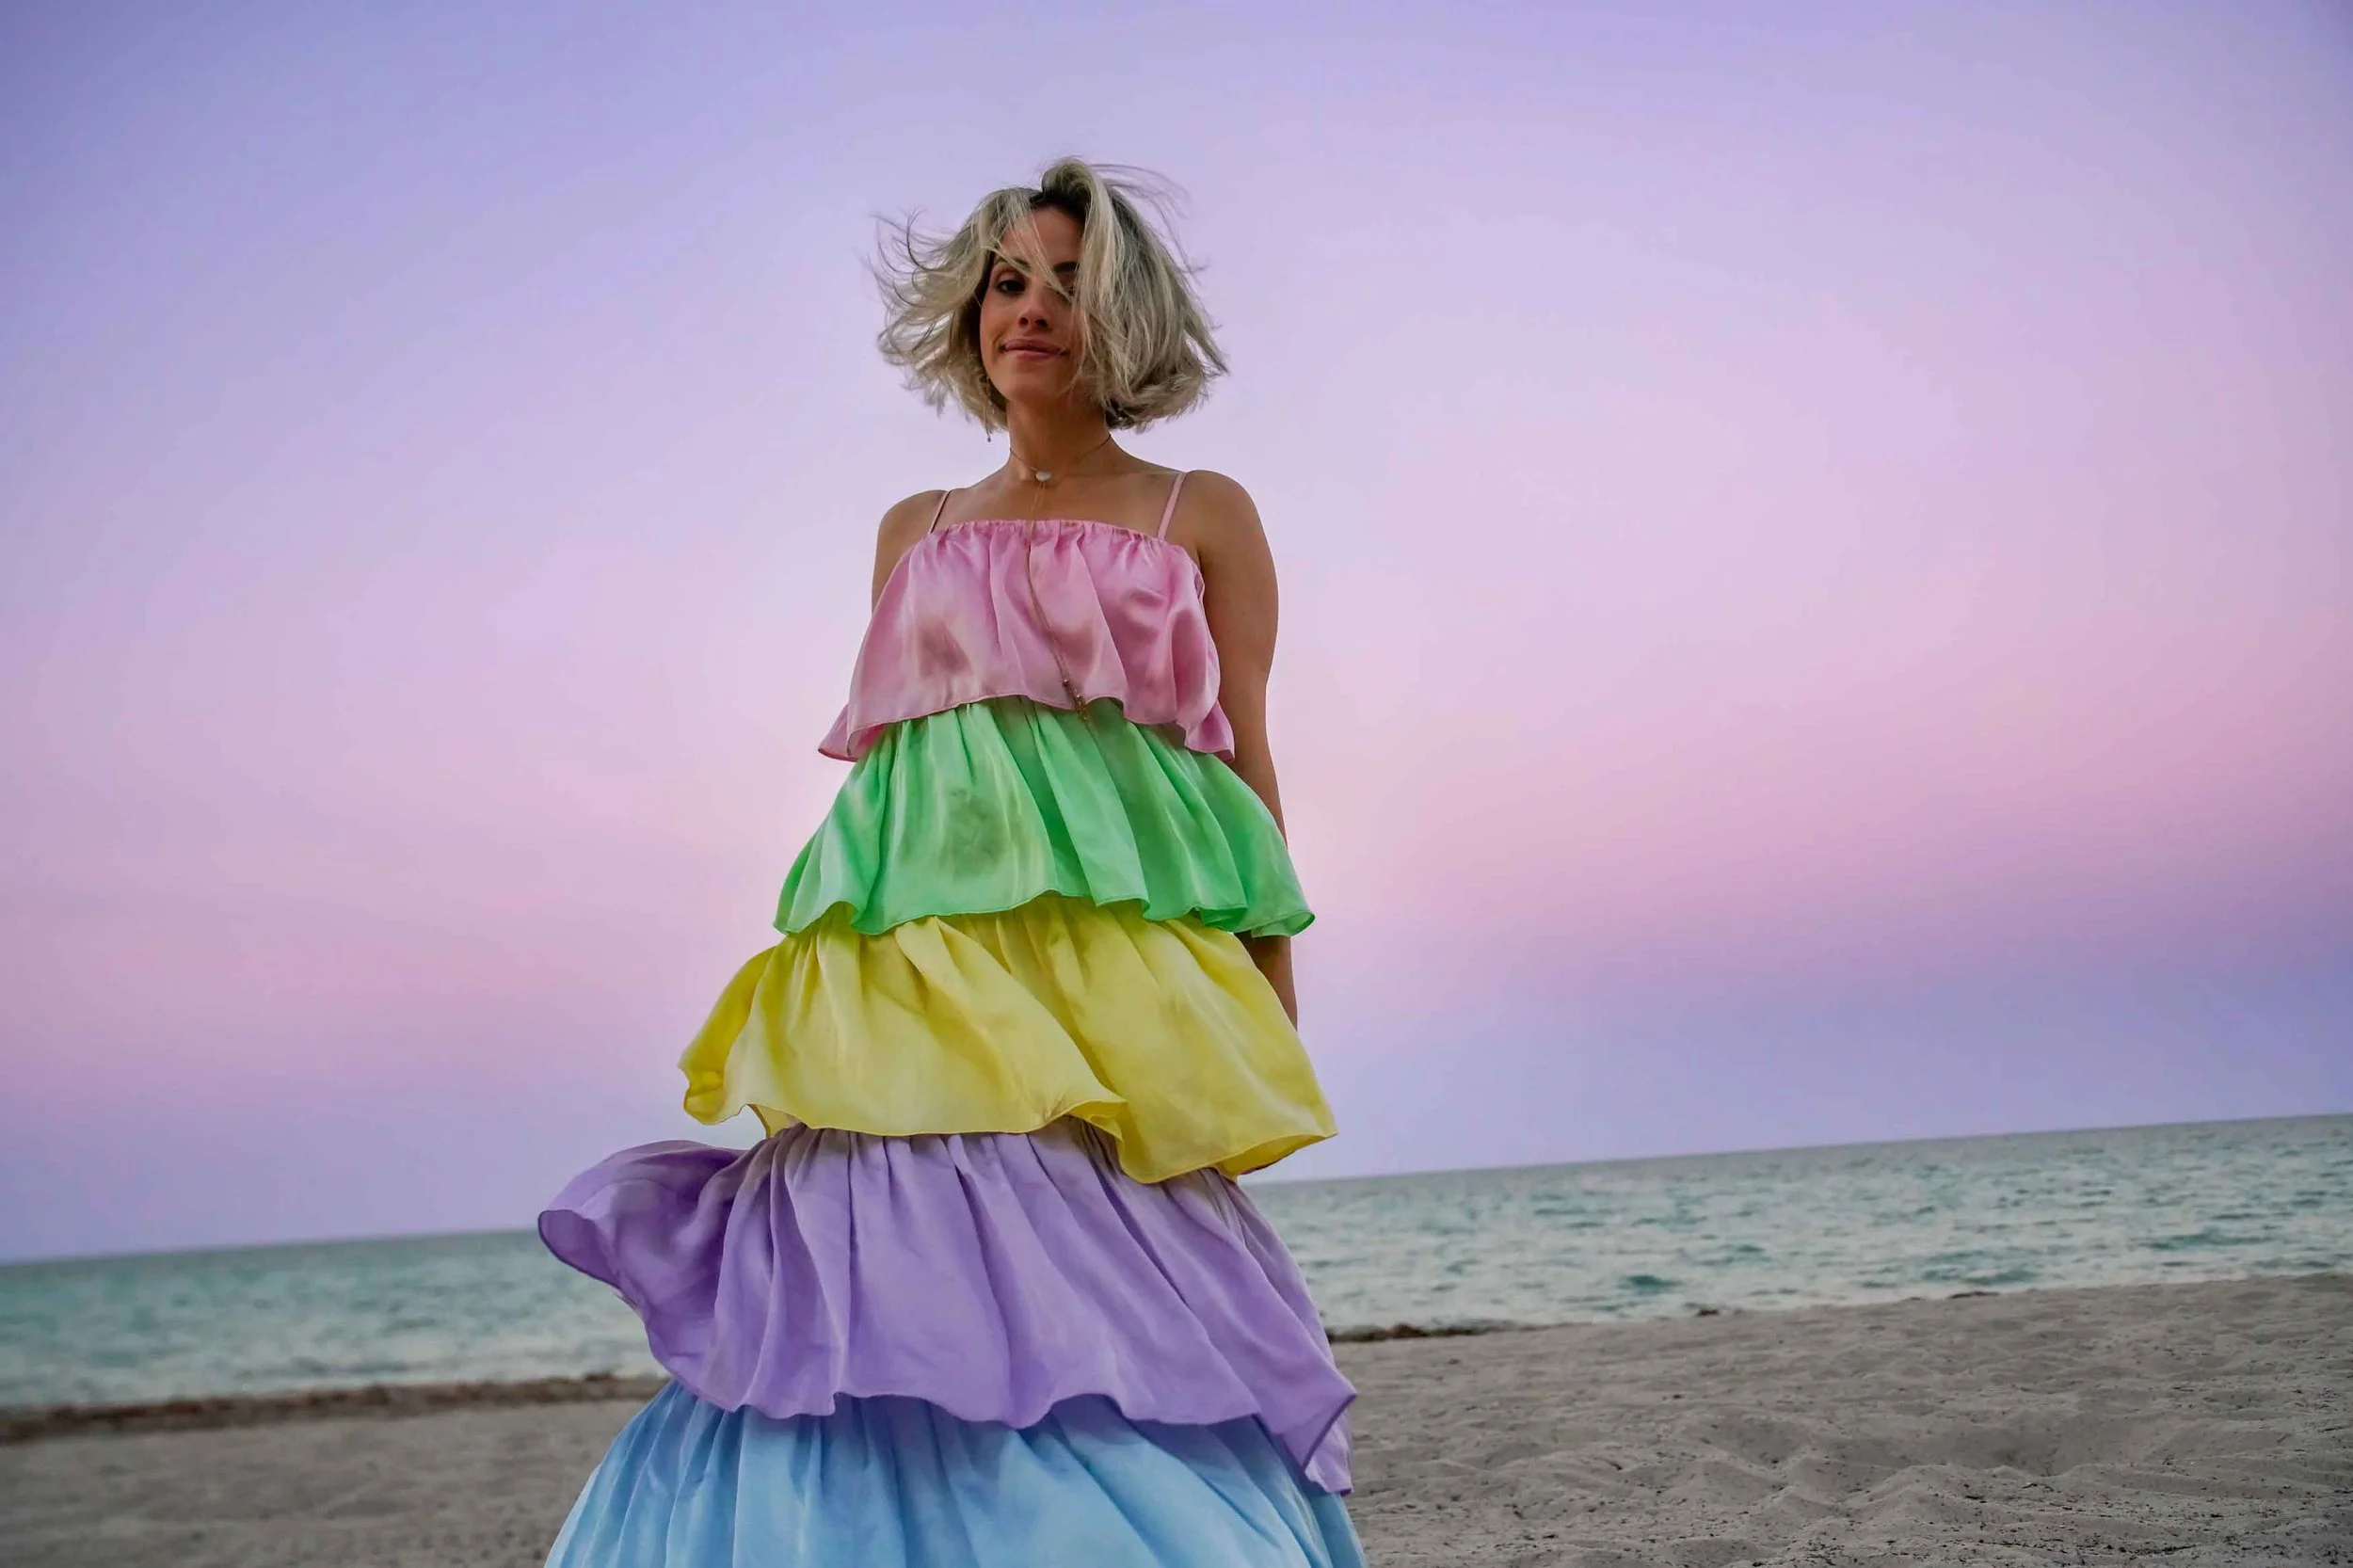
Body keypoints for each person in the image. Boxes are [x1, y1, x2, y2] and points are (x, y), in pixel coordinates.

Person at [536, 156, 1365, 1567]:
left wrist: (1267, 992)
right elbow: (903, 771)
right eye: (1005, 280)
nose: (1028, 309)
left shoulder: (1198, 512)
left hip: (1109, 971)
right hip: (917, 952)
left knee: (1099, 1257)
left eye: (1066, 284)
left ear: (1127, 317)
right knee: (885, 1243)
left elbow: (1245, 765)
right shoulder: (913, 530)